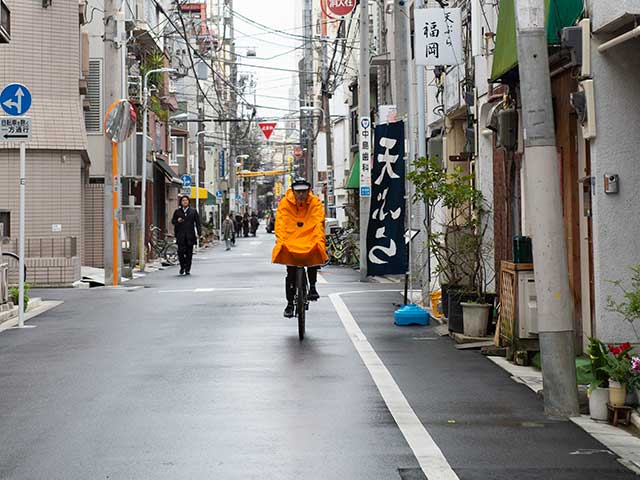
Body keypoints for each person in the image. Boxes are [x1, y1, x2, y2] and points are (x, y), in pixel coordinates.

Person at [271, 178, 328, 317]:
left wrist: (318, 239)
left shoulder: (314, 202)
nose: (301, 195)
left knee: (314, 251)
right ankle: (290, 304)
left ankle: (313, 287)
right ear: (293, 192)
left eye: (304, 191)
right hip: (291, 240)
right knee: (290, 272)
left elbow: (318, 221)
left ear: (308, 191)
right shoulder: (285, 203)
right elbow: (281, 223)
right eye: (298, 192)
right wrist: (281, 240)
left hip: (309, 237)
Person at [171, 195, 201, 275]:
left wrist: (199, 233)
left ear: (188, 202)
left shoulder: (193, 211)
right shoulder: (177, 211)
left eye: (186, 200)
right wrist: (177, 221)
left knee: (189, 253)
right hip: (180, 235)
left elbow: (198, 223)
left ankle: (187, 268)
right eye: (183, 200)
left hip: (190, 235)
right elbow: (173, 221)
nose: (185, 202)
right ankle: (182, 266)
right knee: (180, 252)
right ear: (181, 202)